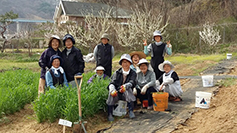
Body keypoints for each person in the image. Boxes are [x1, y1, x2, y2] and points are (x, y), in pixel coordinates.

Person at [106, 54, 137, 121]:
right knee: (111, 93)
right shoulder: (117, 72)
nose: (125, 64)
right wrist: (112, 90)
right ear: (121, 63)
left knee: (128, 90)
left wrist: (125, 86)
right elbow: (112, 83)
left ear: (130, 63)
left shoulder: (133, 73)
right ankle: (110, 113)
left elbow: (132, 82)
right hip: (117, 93)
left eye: (127, 62)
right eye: (123, 62)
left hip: (126, 94)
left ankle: (131, 111)